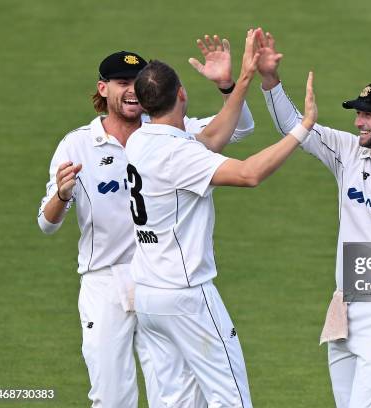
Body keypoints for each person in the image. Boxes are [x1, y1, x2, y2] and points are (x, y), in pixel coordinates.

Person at [37, 34, 254, 407]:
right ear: (103, 89)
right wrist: (61, 194)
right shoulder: (77, 145)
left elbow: (238, 128)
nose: (132, 92)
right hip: (105, 283)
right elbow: (47, 223)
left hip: (156, 280)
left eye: (137, 84)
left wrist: (226, 86)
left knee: (171, 396)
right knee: (112, 397)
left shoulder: (168, 133)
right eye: (122, 84)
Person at [125, 28, 317, 408]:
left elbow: (213, 138)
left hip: (148, 297)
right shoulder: (177, 153)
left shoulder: (141, 140)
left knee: (174, 401)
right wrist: (302, 128)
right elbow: (248, 174)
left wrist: (232, 85)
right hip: (187, 296)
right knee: (231, 399)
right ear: (182, 93)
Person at [256, 33, 371, 407]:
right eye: (358, 113)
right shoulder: (347, 153)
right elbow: (294, 127)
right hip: (343, 309)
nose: (358, 122)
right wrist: (270, 81)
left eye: (368, 114)